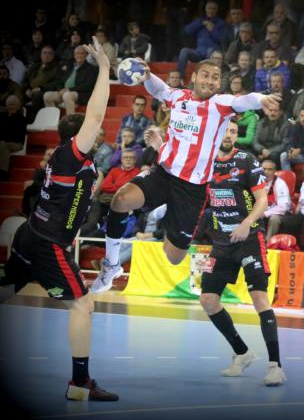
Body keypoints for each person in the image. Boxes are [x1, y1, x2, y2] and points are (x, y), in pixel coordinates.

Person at [92, 59, 280, 293]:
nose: (209, 81)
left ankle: (170, 229)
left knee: (174, 256)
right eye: (205, 75)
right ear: (194, 77)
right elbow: (160, 90)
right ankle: (111, 265)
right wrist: (148, 76)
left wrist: (261, 99)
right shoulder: (178, 97)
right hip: (164, 174)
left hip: (192, 189)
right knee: (120, 200)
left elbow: (243, 101)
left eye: (214, 77)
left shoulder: (221, 104)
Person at [0, 37, 119, 401]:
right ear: (77, 137)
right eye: (91, 132)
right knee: (83, 303)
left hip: (31, 234)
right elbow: (96, 115)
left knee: (6, 289)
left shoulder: (79, 165)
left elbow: (89, 187)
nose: (98, 133)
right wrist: (104, 69)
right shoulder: (69, 154)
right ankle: (79, 384)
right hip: (48, 243)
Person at [194, 120, 285, 386]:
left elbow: (262, 200)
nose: (230, 135)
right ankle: (242, 353)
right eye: (225, 130)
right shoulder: (206, 160)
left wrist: (247, 223)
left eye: (234, 131)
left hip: (249, 238)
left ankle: (275, 366)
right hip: (222, 241)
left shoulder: (246, 160)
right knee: (208, 300)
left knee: (259, 298)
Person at [43, 45, 98, 115]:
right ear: (74, 55)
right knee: (47, 96)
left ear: (86, 55)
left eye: (82, 53)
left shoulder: (91, 69)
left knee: (67, 95)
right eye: (77, 53)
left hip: (82, 94)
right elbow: (61, 80)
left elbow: (88, 85)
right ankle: (52, 120)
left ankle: (70, 122)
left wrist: (69, 89)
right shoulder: (70, 67)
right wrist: (60, 89)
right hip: (66, 91)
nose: (79, 55)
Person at [177, 0, 225, 76]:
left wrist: (213, 30)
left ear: (216, 10)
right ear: (206, 9)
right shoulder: (200, 20)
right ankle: (179, 77)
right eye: (209, 8)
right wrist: (201, 23)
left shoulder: (220, 22)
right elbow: (187, 30)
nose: (211, 11)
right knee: (184, 51)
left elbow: (222, 39)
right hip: (199, 53)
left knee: (210, 50)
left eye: (213, 9)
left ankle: (207, 75)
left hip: (212, 52)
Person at [262, 158, 291, 240]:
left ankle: (267, 243)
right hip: (261, 210)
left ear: (275, 171)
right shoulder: (256, 182)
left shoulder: (280, 184)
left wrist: (265, 214)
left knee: (274, 219)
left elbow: (283, 207)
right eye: (264, 169)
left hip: (278, 213)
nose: (266, 172)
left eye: (269, 169)